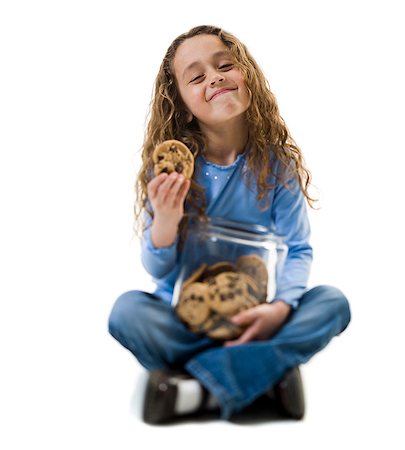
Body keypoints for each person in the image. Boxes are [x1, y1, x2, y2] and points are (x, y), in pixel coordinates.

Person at [108, 25, 351, 424]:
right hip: (187, 321)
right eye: (197, 76)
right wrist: (165, 223)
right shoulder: (172, 171)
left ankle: (195, 386)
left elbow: (298, 249)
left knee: (333, 303)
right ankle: (263, 374)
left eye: (224, 66)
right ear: (183, 105)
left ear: (247, 78)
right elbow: (158, 270)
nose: (216, 77)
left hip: (255, 321)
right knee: (127, 312)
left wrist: (279, 308)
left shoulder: (276, 166)